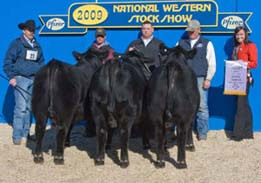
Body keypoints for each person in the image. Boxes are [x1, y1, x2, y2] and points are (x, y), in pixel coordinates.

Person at [3, 19, 44, 145]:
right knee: (20, 108)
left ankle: (26, 133)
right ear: (24, 30)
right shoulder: (16, 44)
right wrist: (11, 77)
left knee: (29, 108)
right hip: (20, 78)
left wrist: (40, 76)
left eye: (33, 30)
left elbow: (41, 62)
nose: (32, 32)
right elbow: (8, 62)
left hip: (34, 79)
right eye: (29, 30)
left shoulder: (37, 45)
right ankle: (17, 136)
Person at [177, 19, 216, 140]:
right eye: (189, 31)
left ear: (199, 30)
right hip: (183, 79)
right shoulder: (180, 43)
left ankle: (202, 133)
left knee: (201, 106)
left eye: (193, 31)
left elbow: (212, 63)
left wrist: (208, 79)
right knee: (182, 105)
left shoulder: (207, 43)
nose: (190, 33)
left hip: (200, 78)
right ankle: (183, 133)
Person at [231, 26, 258, 141]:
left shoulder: (250, 46)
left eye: (241, 34)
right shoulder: (236, 47)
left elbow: (254, 63)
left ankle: (238, 134)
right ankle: (247, 132)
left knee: (241, 105)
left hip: (245, 78)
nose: (239, 36)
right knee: (244, 105)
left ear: (246, 34)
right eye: (237, 34)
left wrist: (243, 63)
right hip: (236, 78)